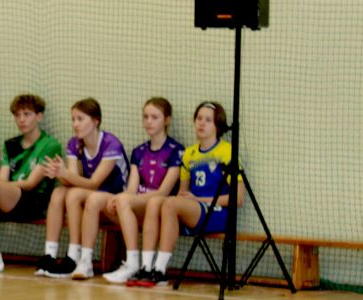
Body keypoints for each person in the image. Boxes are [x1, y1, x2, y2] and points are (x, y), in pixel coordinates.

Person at [128, 101, 243, 287]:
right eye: (199, 118)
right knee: (155, 202)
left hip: (219, 213)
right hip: (195, 210)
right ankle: (146, 267)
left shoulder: (227, 152)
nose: (202, 123)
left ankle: (160, 270)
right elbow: (183, 192)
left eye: (208, 120)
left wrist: (198, 199)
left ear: (218, 125)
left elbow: (238, 199)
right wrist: (189, 199)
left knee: (170, 203)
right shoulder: (189, 154)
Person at [0, 94, 62, 274]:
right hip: (11, 199)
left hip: (33, 201)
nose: (21, 119)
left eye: (26, 114)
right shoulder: (11, 144)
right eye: (17, 115)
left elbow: (30, 183)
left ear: (39, 116)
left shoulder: (50, 144)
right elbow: (2, 179)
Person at [36, 98, 128, 279]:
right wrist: (59, 174)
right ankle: (50, 255)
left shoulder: (111, 144)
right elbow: (72, 180)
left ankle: (74, 255)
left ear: (95, 121)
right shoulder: (74, 143)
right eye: (73, 119)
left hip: (115, 200)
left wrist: (65, 174)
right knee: (58, 192)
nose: (75, 124)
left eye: (80, 119)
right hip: (91, 197)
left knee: (74, 195)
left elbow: (94, 183)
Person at [99, 98, 184, 283]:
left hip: (161, 206)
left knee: (124, 201)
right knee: (110, 203)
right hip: (141, 206)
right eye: (145, 117)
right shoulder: (139, 151)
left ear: (167, 120)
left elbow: (164, 192)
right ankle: (136, 264)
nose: (149, 121)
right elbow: (131, 189)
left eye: (154, 117)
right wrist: (121, 197)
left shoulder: (176, 150)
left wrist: (126, 199)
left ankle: (132, 263)